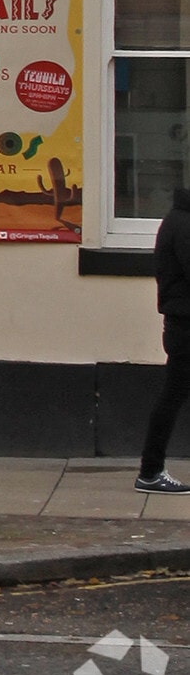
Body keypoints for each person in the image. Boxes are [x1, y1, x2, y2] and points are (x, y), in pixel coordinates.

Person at [137, 185, 190, 493]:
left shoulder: (177, 220)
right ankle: (150, 471)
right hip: (185, 326)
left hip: (180, 323)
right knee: (172, 396)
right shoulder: (183, 225)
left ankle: (151, 469)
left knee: (172, 395)